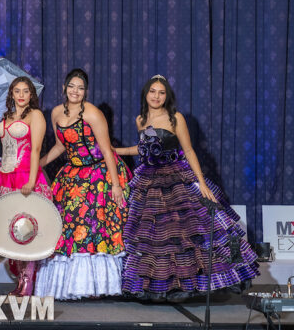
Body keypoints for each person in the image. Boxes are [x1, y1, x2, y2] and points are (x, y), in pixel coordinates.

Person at [115, 75, 259, 300]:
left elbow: (189, 150)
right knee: (158, 237)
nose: (156, 96)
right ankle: (164, 287)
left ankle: (189, 285)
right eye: (153, 91)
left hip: (176, 176)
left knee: (186, 234)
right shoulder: (140, 119)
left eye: (161, 93)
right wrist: (114, 151)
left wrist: (201, 182)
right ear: (146, 93)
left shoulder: (175, 118)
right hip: (151, 181)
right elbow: (145, 148)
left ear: (167, 96)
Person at [34, 69, 131, 299]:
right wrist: (37, 165)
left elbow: (107, 150)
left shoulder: (93, 113)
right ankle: (71, 286)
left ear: (85, 91)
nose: (75, 91)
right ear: (64, 88)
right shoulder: (57, 112)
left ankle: (96, 287)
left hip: (99, 173)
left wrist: (116, 185)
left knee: (93, 227)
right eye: (72, 86)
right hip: (73, 173)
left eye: (80, 87)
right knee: (65, 226)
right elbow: (60, 146)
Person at [0, 76, 52, 296]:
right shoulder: (7, 116)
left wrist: (31, 181)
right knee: (10, 229)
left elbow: (35, 150)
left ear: (31, 94)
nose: (21, 95)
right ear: (11, 94)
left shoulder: (35, 115)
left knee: (28, 229)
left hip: (25, 175)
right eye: (17, 91)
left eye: (26, 91)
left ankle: (28, 284)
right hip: (4, 178)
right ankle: (19, 281)